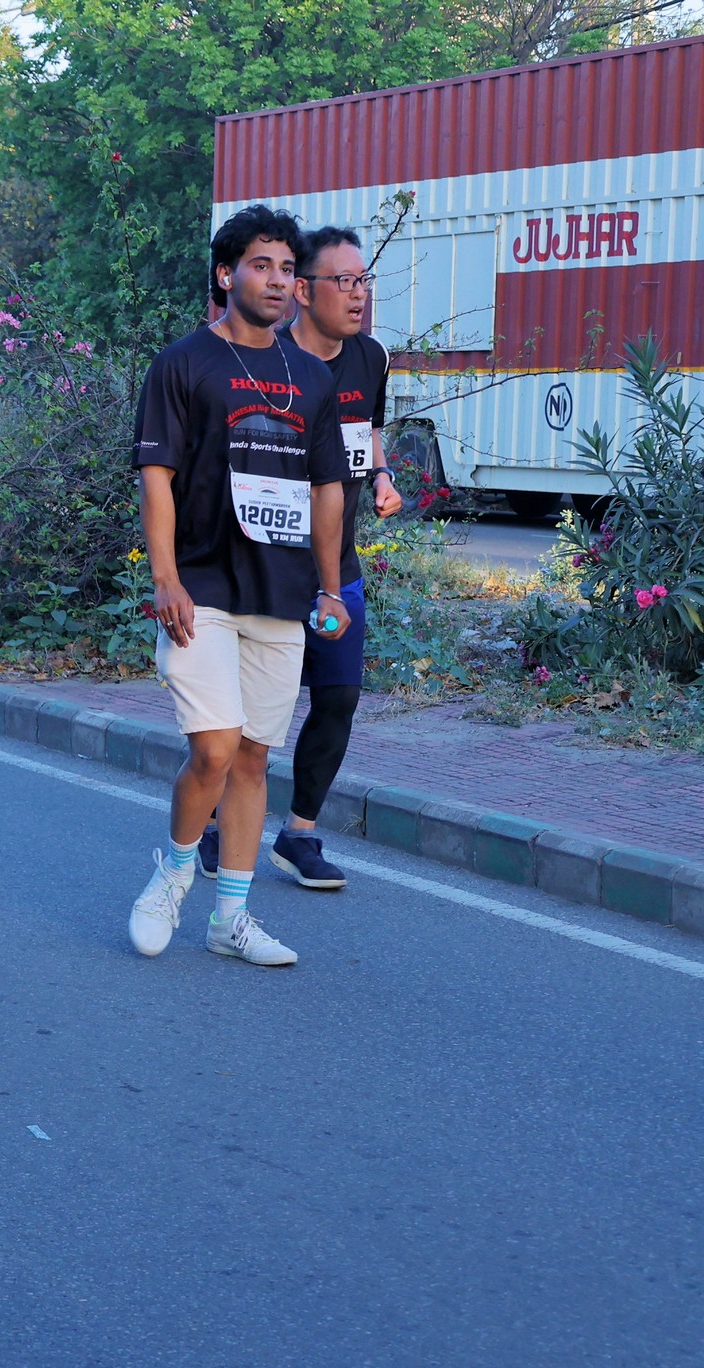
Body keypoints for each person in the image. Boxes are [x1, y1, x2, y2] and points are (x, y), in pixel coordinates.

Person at [127, 204, 348, 969]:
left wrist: (330, 588)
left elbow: (327, 489)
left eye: (288, 268)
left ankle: (230, 919)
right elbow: (156, 477)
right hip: (201, 587)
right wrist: (165, 578)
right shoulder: (184, 363)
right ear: (226, 275)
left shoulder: (312, 376)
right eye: (262, 265)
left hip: (281, 593)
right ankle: (174, 871)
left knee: (253, 757)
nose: (279, 281)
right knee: (215, 749)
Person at [197, 226, 406, 893]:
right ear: (305, 293)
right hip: (266, 572)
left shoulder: (371, 357)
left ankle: (299, 833)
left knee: (338, 698)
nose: (359, 294)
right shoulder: (267, 358)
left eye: (363, 281)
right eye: (344, 282)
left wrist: (381, 474)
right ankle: (213, 820)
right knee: (245, 717)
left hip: (337, 571)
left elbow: (368, 431)